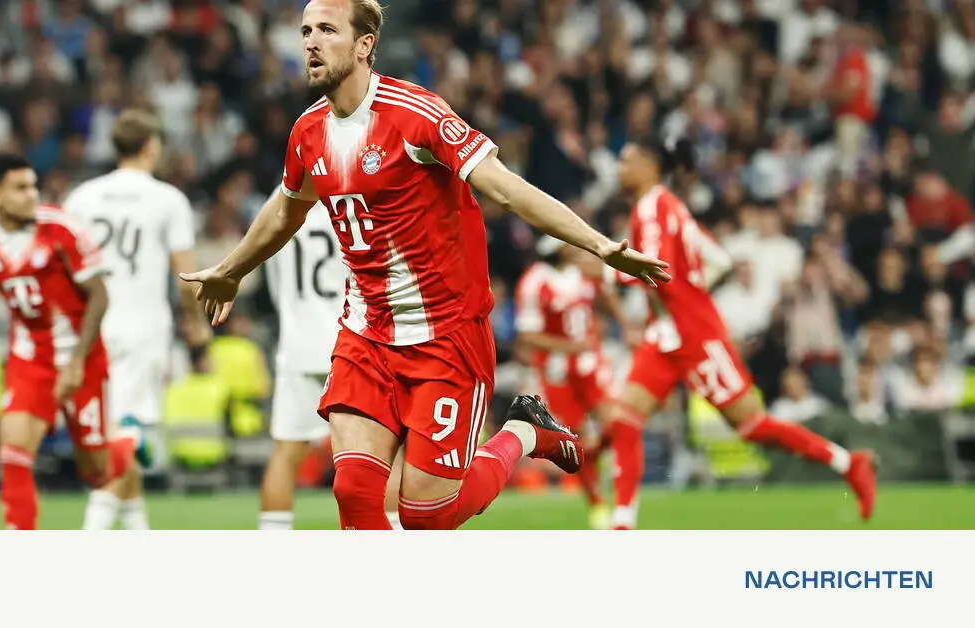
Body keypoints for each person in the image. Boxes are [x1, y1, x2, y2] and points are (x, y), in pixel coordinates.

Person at [181, 0, 670, 530]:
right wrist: (232, 270)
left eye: (326, 29)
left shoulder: (416, 114)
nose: (311, 42)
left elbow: (506, 188)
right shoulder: (308, 132)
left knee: (426, 516)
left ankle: (525, 432)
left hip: (446, 336)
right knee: (352, 489)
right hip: (366, 333)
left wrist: (599, 245)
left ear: (365, 44)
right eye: (305, 31)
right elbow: (285, 210)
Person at [601, 139, 878, 530]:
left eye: (626, 160)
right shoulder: (670, 205)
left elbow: (656, 267)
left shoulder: (651, 208)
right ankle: (622, 523)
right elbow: (717, 258)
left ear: (650, 165)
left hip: (694, 336)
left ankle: (849, 463)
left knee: (751, 425)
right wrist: (691, 290)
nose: (619, 168)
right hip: (667, 335)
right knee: (625, 417)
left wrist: (610, 271)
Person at [0, 153, 145, 530]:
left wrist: (76, 362)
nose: (32, 195)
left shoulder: (61, 229)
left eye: (33, 186)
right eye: (20, 188)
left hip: (83, 358)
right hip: (31, 358)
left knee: (97, 472)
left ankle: (126, 442)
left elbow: (99, 296)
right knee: (12, 454)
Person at [63, 109, 211, 530]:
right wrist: (196, 323)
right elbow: (186, 277)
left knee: (113, 430)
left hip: (92, 328)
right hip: (142, 328)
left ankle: (137, 530)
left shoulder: (82, 197)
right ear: (150, 146)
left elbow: (65, 267)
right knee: (128, 433)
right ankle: (93, 528)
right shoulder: (167, 199)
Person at [257, 194, 404, 529]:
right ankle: (394, 532)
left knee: (286, 452)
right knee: (385, 452)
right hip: (354, 339)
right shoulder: (348, 196)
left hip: (297, 343)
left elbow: (273, 281)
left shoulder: (278, 202)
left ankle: (271, 536)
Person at [515, 236, 626, 529]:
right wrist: (568, 347)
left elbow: (606, 295)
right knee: (576, 439)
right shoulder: (534, 281)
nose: (574, 246)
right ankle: (597, 502)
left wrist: (623, 323)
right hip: (557, 371)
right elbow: (527, 335)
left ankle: (597, 455)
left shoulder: (584, 269)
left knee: (615, 422)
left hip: (590, 363)